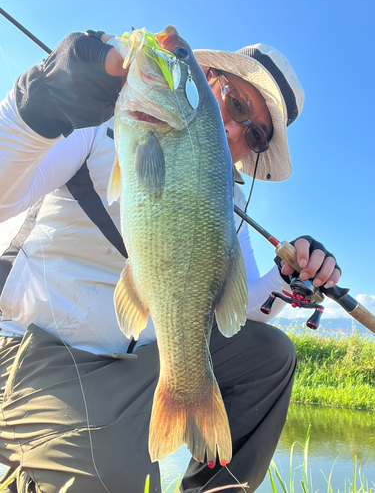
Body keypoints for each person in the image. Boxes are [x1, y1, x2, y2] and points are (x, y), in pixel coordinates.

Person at [0, 30, 340, 493]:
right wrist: (41, 100)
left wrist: (285, 280)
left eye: (256, 134)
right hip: (36, 346)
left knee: (270, 355)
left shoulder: (226, 206)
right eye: (236, 104)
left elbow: (233, 313)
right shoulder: (95, 121)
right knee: (111, 480)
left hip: (135, 360)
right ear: (208, 79)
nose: (236, 132)